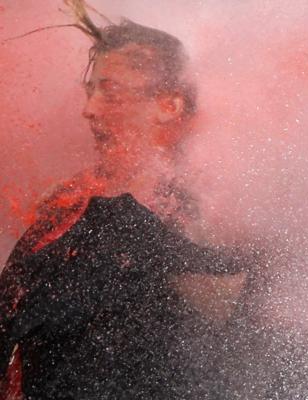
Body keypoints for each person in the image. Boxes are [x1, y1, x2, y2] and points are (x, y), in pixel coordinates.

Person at [0, 6, 252, 399]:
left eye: (111, 92)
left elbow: (221, 318)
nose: (89, 110)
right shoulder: (66, 203)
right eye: (90, 91)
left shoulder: (195, 212)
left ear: (168, 106)